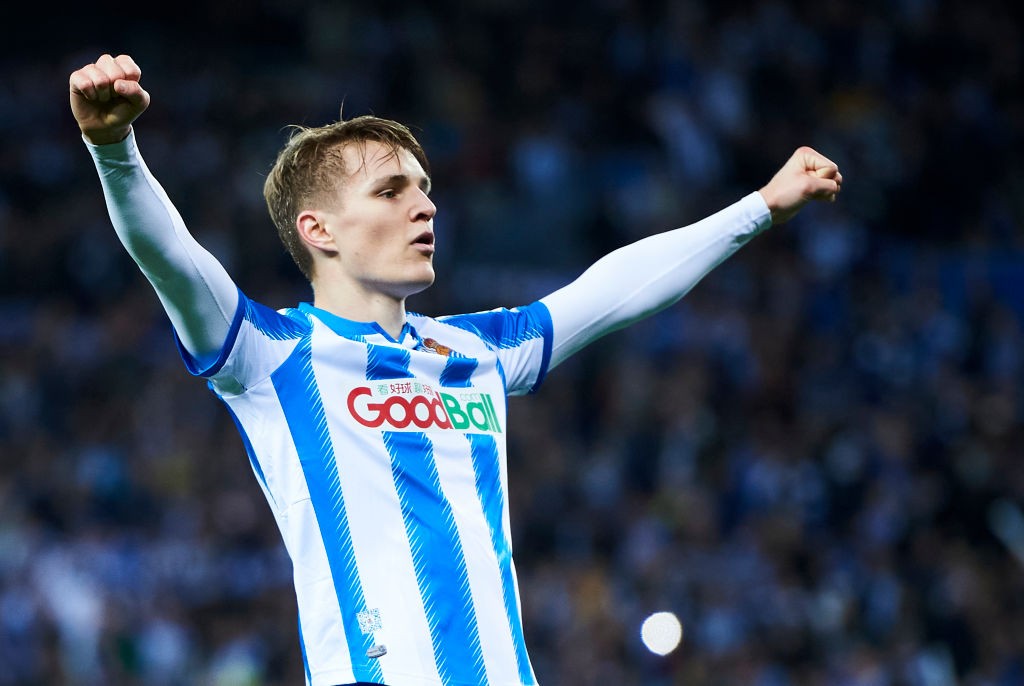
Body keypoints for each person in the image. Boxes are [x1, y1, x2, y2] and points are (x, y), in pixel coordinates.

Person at [69, 53, 842, 686]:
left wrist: (760, 207)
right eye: (391, 190)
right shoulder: (270, 357)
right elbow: (170, 259)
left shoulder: (475, 353)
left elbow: (611, 292)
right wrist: (115, 150)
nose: (425, 206)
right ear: (319, 230)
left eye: (426, 189)